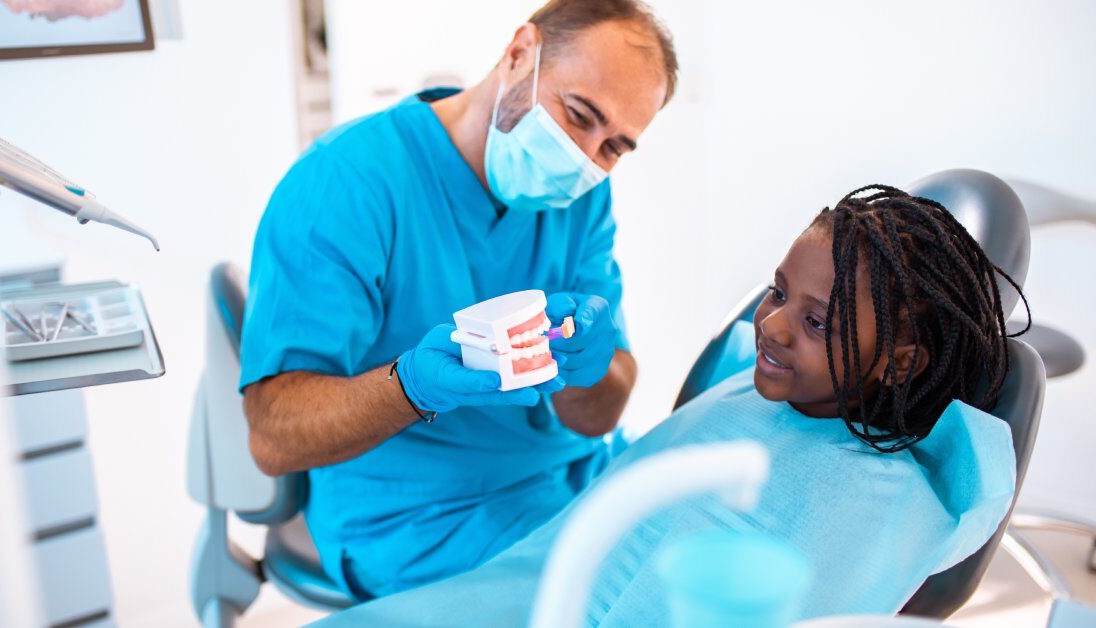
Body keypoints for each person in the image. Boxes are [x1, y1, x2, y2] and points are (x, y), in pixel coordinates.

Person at [311, 185, 1027, 626]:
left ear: (900, 362)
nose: (771, 325)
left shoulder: (884, 499)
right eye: (777, 292)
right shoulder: (750, 390)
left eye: (816, 322)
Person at [238, 0, 679, 599]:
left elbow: (595, 415)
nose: (584, 157)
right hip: (416, 515)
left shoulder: (583, 200)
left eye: (614, 147)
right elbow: (275, 437)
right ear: (521, 54)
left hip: (566, 481)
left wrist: (595, 368)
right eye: (578, 115)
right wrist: (410, 386)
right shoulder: (348, 182)